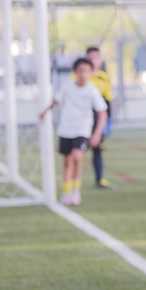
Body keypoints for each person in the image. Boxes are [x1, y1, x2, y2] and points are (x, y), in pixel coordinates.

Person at [39, 57, 107, 206]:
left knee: (77, 156)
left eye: (86, 71)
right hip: (66, 128)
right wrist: (44, 111)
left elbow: (102, 113)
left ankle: (76, 191)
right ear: (75, 72)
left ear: (90, 73)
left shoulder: (92, 91)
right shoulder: (68, 86)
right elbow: (56, 101)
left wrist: (97, 133)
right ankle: (66, 191)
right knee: (67, 161)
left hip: (82, 129)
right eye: (80, 71)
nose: (83, 74)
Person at [85, 46, 114, 189]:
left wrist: (109, 119)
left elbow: (107, 99)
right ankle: (71, 183)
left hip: (98, 117)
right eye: (91, 58)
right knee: (76, 152)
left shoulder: (104, 77)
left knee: (98, 148)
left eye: (96, 57)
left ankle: (99, 179)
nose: (94, 60)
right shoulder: (79, 76)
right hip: (82, 117)